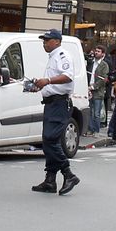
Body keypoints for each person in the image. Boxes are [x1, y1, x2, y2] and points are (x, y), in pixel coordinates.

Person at [28, 30, 81, 196]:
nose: (45, 43)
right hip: (52, 103)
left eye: (48, 40)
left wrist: (48, 81)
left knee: (50, 139)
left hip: (59, 103)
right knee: (48, 140)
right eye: (44, 40)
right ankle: (50, 180)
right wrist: (40, 85)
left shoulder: (63, 55)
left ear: (57, 41)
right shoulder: (53, 56)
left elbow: (68, 76)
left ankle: (68, 173)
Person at [88, 46, 111, 136]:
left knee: (96, 113)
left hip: (98, 91)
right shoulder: (91, 63)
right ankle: (90, 129)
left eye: (98, 51)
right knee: (89, 110)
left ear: (103, 54)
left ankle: (96, 130)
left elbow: (104, 79)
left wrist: (94, 87)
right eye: (96, 51)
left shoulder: (104, 65)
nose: (96, 52)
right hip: (88, 89)